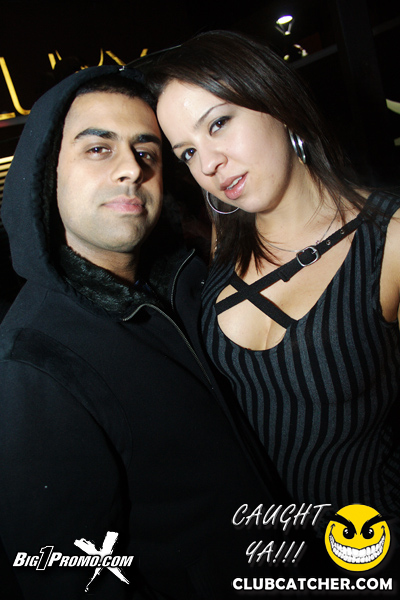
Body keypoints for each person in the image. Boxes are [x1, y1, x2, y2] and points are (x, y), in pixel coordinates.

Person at [0, 64, 295, 600]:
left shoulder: (193, 283)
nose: (130, 170)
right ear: (46, 172)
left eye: (147, 152)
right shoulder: (33, 360)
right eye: (98, 148)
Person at [148, 30, 400, 538]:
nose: (208, 164)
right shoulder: (225, 234)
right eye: (187, 153)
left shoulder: (389, 238)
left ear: (276, 103)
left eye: (218, 123)